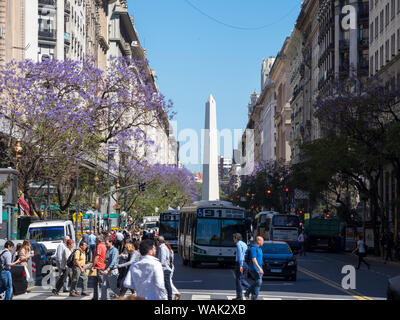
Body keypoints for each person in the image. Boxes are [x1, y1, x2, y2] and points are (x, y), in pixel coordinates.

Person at [245, 236, 264, 300]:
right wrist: (259, 268)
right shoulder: (253, 248)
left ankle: (254, 297)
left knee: (258, 283)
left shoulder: (259, 248)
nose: (263, 242)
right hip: (254, 268)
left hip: (259, 268)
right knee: (259, 282)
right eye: (262, 241)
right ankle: (248, 292)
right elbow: (254, 259)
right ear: (258, 241)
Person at [232, 233, 250, 300]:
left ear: (236, 238)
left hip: (240, 263)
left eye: (233, 238)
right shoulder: (244, 243)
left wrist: (240, 265)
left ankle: (240, 295)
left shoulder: (238, 244)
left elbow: (240, 255)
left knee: (238, 280)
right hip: (245, 263)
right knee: (241, 279)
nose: (233, 239)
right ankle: (241, 295)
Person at [157, 236, 173, 300]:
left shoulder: (162, 248)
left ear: (158, 242)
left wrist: (157, 265)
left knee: (167, 285)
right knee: (165, 285)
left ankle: (169, 298)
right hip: (165, 268)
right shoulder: (164, 247)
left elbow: (163, 260)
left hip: (164, 269)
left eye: (156, 241)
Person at [91, 235, 107, 300]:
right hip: (103, 265)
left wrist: (93, 265)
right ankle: (96, 297)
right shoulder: (104, 246)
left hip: (98, 266)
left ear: (99, 240)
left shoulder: (99, 246)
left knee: (99, 283)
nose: (95, 241)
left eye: (96, 239)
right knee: (100, 283)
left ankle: (103, 297)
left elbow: (97, 256)